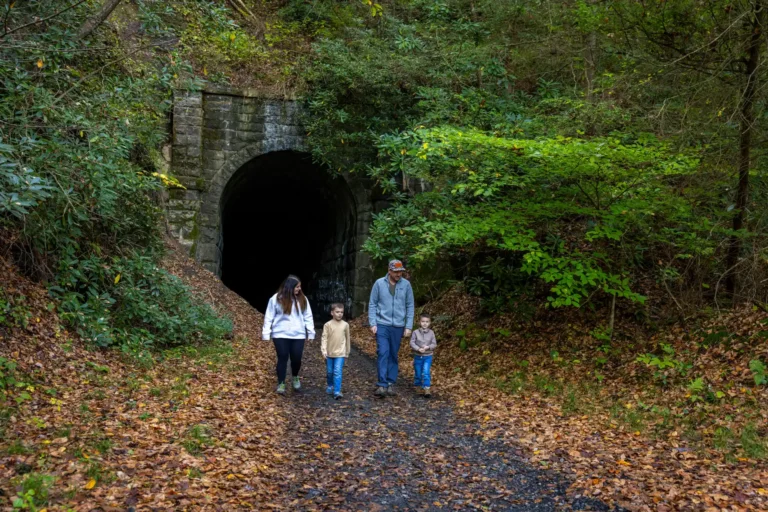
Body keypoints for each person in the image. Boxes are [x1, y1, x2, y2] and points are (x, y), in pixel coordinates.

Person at [368, 259, 415, 397]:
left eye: (400, 271)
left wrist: (408, 326)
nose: (398, 274)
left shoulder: (406, 285)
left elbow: (410, 306)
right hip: (382, 324)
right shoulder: (379, 283)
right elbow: (372, 304)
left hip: (398, 325)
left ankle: (390, 383)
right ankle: (382, 384)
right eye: (396, 272)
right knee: (383, 352)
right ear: (389, 271)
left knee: (393, 354)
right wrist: (373, 323)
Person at [262, 275, 315, 395]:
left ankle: (295, 376)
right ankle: (281, 383)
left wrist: (310, 332)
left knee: (296, 358)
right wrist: (266, 333)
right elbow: (269, 316)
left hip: (298, 335)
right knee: (282, 357)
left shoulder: (303, 299)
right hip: (280, 334)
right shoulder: (276, 299)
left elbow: (308, 316)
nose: (299, 289)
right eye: (297, 287)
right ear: (290, 287)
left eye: (300, 287)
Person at [321, 303, 351, 400]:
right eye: (337, 312)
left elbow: (347, 339)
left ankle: (337, 391)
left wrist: (347, 351)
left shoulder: (345, 325)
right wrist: (324, 350)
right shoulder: (327, 325)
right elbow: (324, 338)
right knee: (330, 372)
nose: (340, 314)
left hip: (340, 353)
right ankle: (330, 385)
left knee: (337, 371)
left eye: (341, 312)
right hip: (329, 353)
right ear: (332, 313)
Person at [410, 313, 437, 397]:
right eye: (423, 321)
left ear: (430, 323)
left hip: (428, 356)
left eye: (427, 322)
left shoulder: (431, 333)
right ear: (419, 322)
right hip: (418, 356)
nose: (425, 323)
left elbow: (434, 344)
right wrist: (418, 348)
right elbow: (412, 342)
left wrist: (428, 347)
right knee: (418, 372)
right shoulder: (415, 332)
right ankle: (418, 386)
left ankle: (426, 387)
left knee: (426, 371)